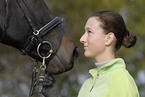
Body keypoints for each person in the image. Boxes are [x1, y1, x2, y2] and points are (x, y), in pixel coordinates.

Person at [78, 10, 140, 97]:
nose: (82, 39)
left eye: (89, 32)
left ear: (109, 38)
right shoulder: (87, 84)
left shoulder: (121, 81)